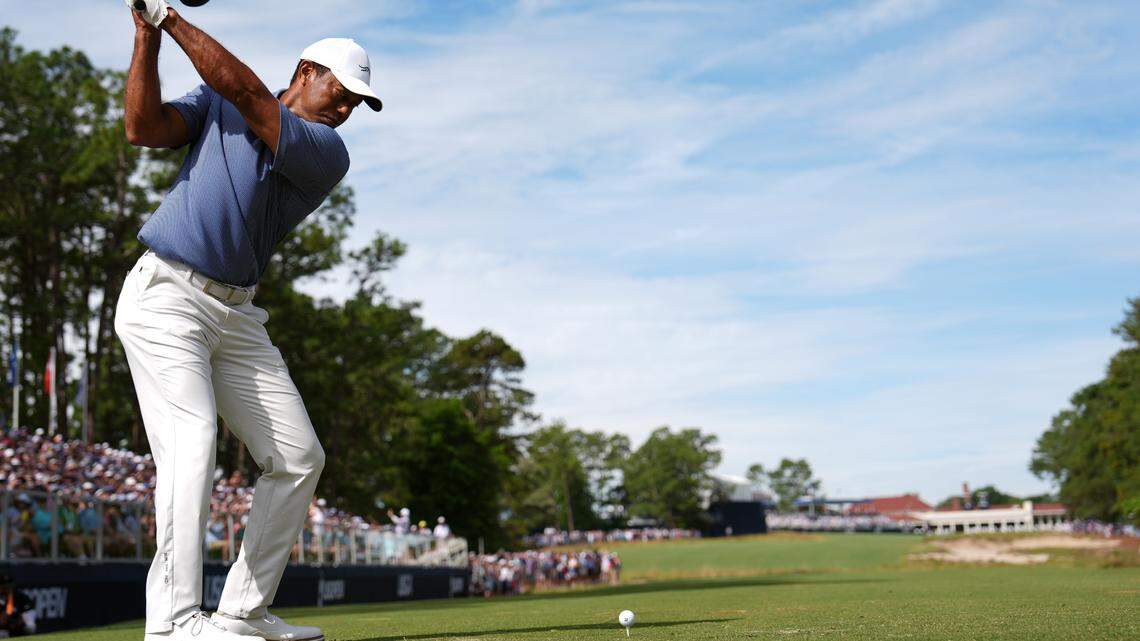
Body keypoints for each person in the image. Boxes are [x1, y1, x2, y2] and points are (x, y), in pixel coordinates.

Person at [116, 1, 382, 639]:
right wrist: (146, 36)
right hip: (166, 297)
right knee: (191, 442)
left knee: (298, 457)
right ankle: (173, 622)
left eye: (356, 104)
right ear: (306, 71)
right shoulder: (218, 99)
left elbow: (249, 94)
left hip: (236, 315)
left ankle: (242, 611)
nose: (346, 110)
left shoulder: (326, 151)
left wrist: (169, 17)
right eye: (341, 94)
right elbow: (143, 128)